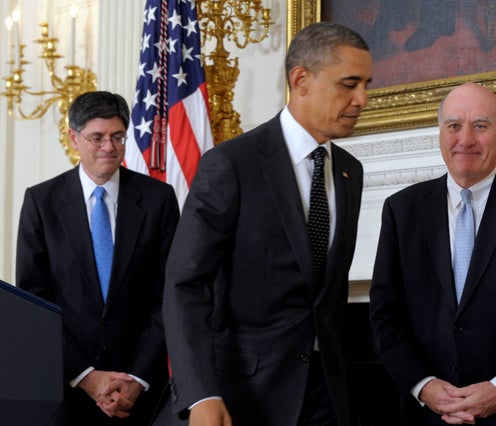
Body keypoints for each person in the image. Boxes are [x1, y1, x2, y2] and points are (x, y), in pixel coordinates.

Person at [162, 21, 372, 426]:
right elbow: (185, 284)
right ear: (301, 80)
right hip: (243, 396)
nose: (362, 99)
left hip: (327, 395)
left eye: (366, 85)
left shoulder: (350, 171)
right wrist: (200, 392)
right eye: (349, 84)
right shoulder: (232, 164)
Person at [369, 83, 496, 425]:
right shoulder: (401, 210)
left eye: (480, 125)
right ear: (440, 134)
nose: (465, 139)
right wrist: (424, 386)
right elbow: (385, 313)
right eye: (454, 125)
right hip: (428, 413)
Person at [16, 91, 180, 425]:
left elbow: (168, 296)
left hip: (140, 393)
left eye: (117, 137)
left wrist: (136, 378)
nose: (109, 147)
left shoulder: (159, 199)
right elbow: (35, 302)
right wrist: (86, 376)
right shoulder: (41, 202)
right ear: (73, 137)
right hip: (66, 390)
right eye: (97, 137)